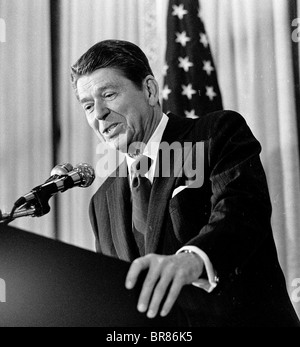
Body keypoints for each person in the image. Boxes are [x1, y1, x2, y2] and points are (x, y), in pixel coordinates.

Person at [70, 40, 300, 327]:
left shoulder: (214, 135)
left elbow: (241, 214)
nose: (99, 114)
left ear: (150, 90)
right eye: (88, 105)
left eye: (109, 94)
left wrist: (190, 260)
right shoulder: (101, 202)